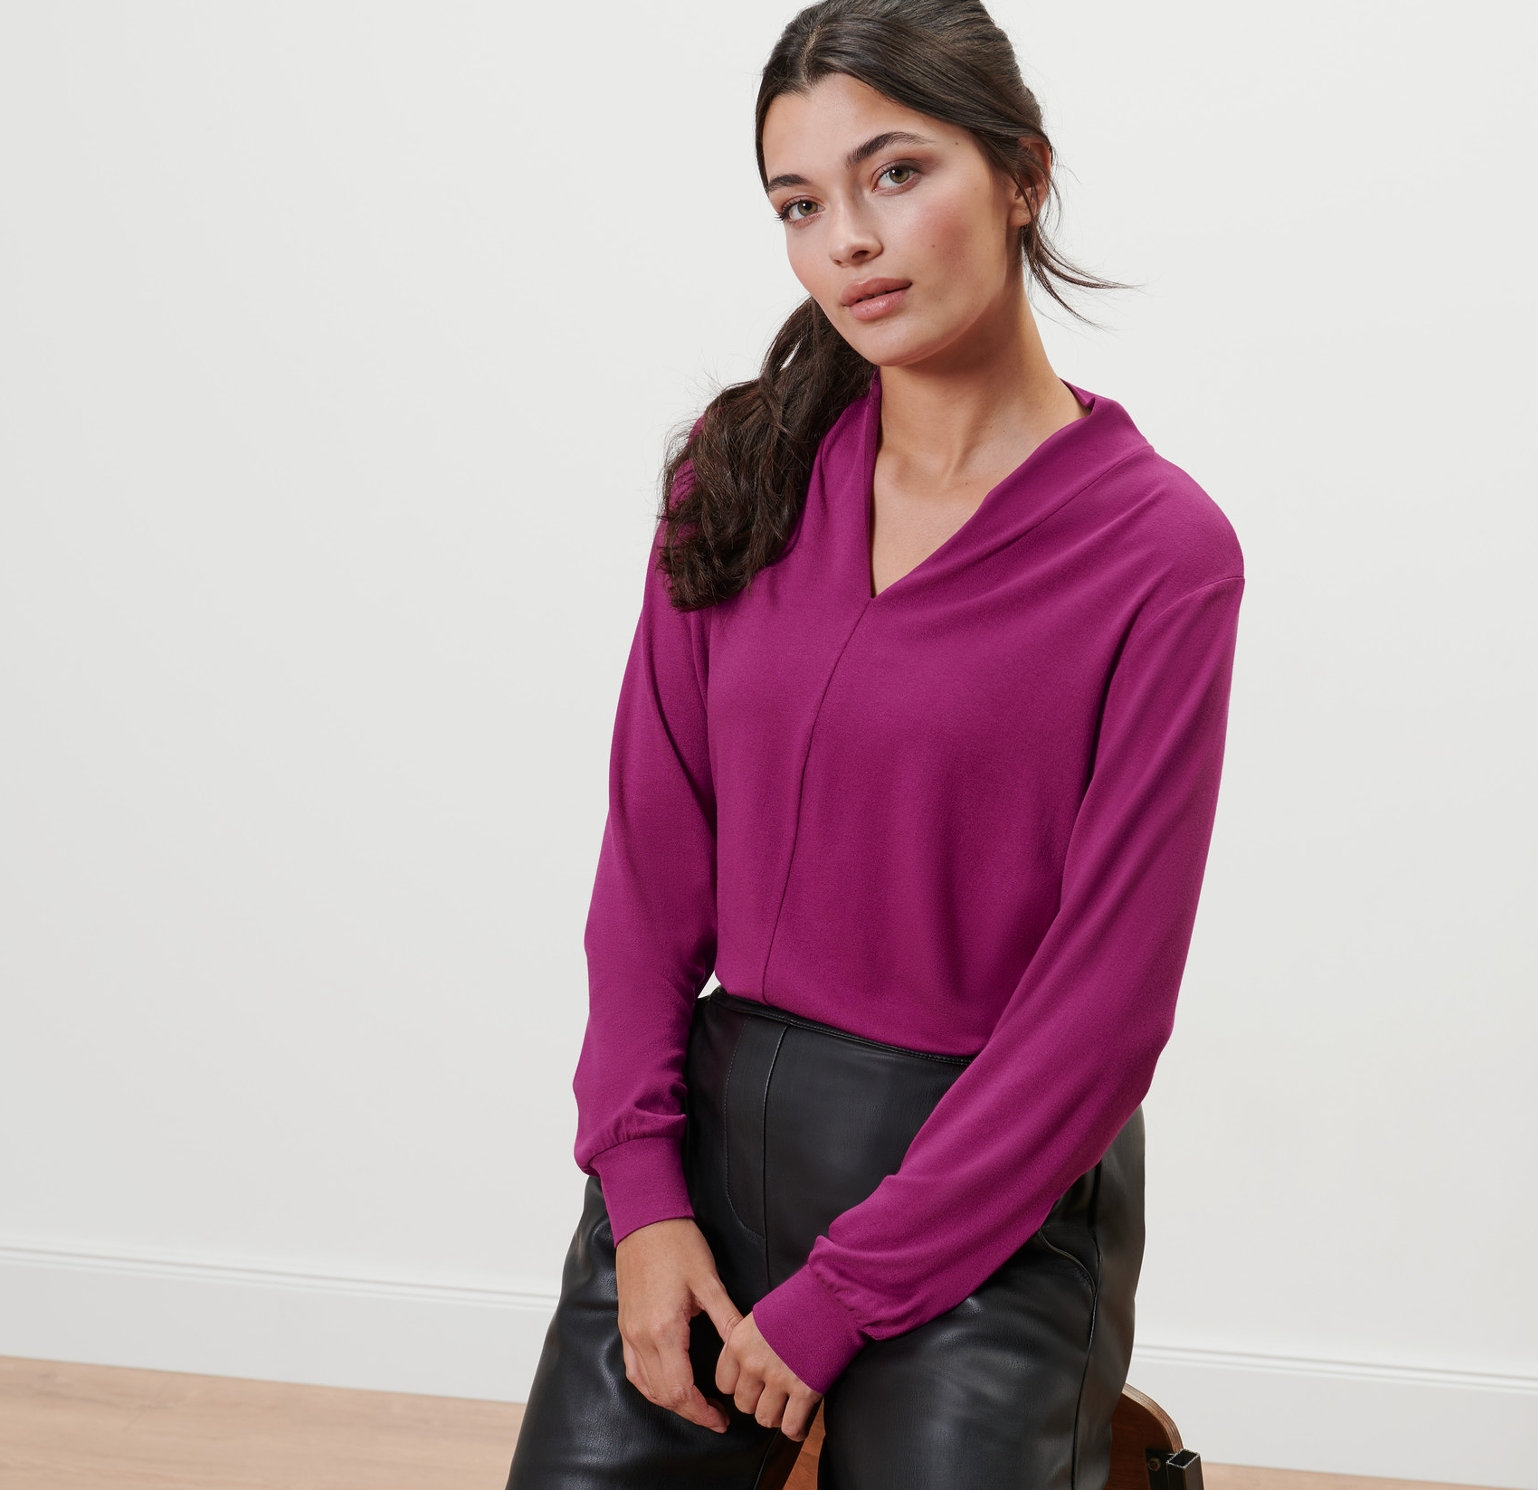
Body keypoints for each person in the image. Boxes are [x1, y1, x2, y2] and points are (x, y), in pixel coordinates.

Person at [504, 2, 1245, 1486]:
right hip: (706, 1158)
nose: (847, 238)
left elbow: (1105, 1005)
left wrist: (850, 1291)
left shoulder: (1161, 553)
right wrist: (642, 1198)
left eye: (894, 173)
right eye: (799, 204)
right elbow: (646, 882)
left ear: (1022, 175)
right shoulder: (739, 468)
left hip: (991, 1192)